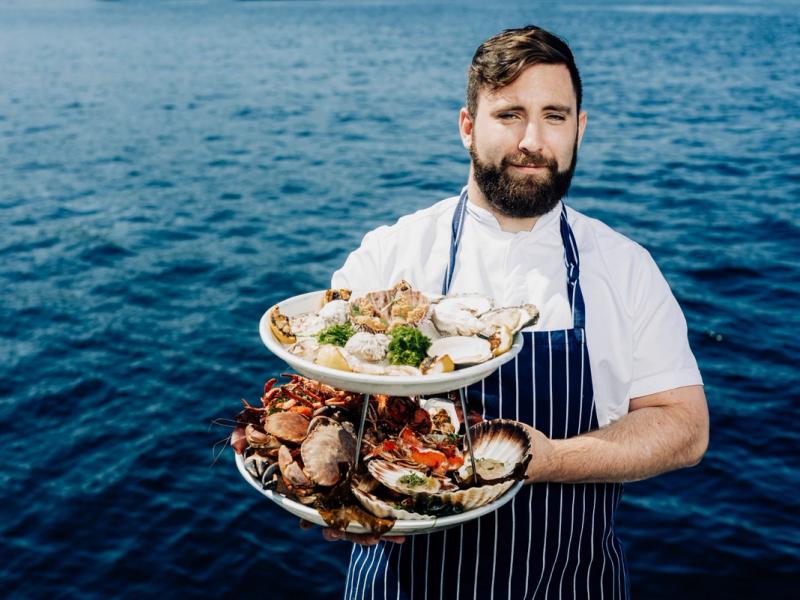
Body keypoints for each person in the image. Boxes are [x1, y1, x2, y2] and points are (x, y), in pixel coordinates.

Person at [317, 25, 709, 599]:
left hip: (571, 584)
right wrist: (328, 490)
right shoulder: (390, 254)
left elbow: (685, 427)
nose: (533, 140)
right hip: (398, 585)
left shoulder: (625, 267)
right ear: (467, 126)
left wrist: (547, 459)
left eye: (554, 115)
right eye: (508, 114)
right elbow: (325, 402)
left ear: (580, 127)